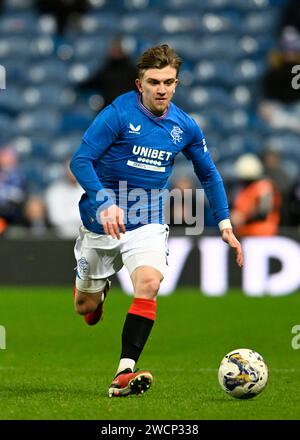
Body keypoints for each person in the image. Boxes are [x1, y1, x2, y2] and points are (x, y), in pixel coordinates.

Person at [70, 44, 244, 398]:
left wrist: (224, 224)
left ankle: (124, 371)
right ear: (140, 84)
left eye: (168, 82)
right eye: (154, 82)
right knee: (84, 308)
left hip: (148, 218)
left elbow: (208, 174)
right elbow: (81, 161)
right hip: (101, 221)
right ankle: (96, 295)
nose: (161, 89)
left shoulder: (185, 126)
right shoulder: (117, 114)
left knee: (149, 283)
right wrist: (105, 201)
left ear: (177, 84)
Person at [230, 154, 281, 237]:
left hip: (262, 235)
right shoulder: (240, 189)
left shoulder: (264, 186)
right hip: (243, 234)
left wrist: (243, 217)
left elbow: (263, 211)